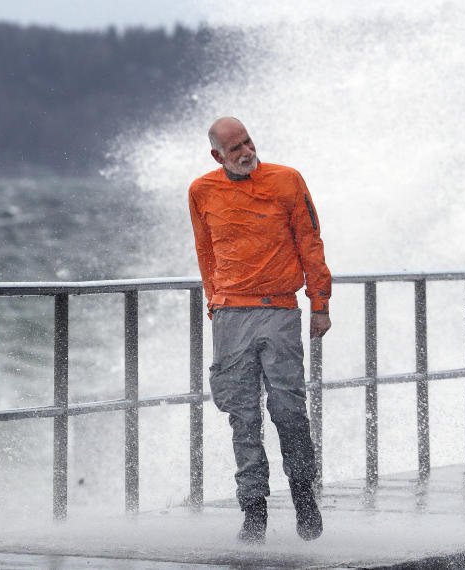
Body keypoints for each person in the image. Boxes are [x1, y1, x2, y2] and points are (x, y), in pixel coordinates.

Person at [188, 117, 332, 544]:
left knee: (289, 410)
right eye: (235, 149)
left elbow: (310, 241)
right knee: (243, 418)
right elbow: (204, 250)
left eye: (248, 142)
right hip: (231, 315)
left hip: (279, 310)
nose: (246, 152)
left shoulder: (287, 180)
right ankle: (253, 510)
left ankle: (304, 495)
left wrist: (319, 304)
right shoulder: (201, 190)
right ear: (218, 155)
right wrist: (215, 301)